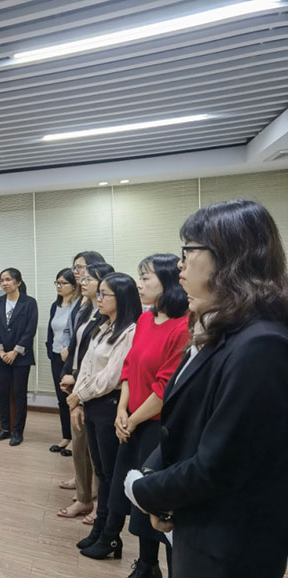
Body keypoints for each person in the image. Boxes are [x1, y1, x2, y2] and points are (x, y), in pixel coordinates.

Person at [128, 200, 288, 578]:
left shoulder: (262, 343)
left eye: (188, 252)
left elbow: (220, 464)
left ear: (227, 256)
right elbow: (184, 427)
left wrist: (143, 490)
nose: (180, 266)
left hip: (230, 545)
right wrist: (152, 477)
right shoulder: (218, 329)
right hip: (198, 524)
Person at [88, 254, 189, 576]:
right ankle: (146, 564)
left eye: (146, 278)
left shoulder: (183, 326)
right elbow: (130, 367)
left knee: (154, 498)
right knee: (133, 495)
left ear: (168, 282)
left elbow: (165, 387)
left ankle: (158, 566)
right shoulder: (146, 319)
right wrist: (122, 410)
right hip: (131, 420)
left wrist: (131, 420)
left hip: (157, 427)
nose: (140, 284)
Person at [68, 273, 141, 559]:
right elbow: (87, 365)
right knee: (100, 472)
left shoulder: (130, 331)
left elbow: (112, 377)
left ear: (120, 298)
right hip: (93, 405)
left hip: (109, 405)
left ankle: (111, 536)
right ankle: (99, 529)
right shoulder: (103, 326)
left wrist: (80, 396)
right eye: (98, 293)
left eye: (104, 294)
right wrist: (79, 396)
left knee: (111, 475)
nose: (98, 299)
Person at [57, 261, 114, 520]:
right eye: (82, 276)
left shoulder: (107, 313)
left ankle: (99, 502)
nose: (82, 280)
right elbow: (75, 347)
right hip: (77, 381)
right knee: (79, 444)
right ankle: (83, 497)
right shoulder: (84, 309)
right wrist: (67, 373)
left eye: (89, 277)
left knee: (97, 451)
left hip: (94, 387)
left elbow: (98, 359)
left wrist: (77, 377)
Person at [0, 268, 38, 446]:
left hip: (21, 356)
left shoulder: (29, 302)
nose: (5, 283)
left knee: (19, 394)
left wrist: (15, 351)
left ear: (18, 282)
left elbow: (30, 330)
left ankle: (18, 431)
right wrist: (1, 351)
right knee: (3, 393)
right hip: (2, 356)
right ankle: (4, 428)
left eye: (8, 279)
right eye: (2, 280)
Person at [46, 268, 78, 456]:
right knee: (61, 399)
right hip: (56, 356)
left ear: (74, 286)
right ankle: (66, 436)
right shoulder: (55, 305)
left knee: (74, 399)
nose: (59, 286)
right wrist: (51, 352)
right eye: (57, 283)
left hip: (71, 358)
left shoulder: (79, 306)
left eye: (63, 283)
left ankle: (76, 440)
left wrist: (70, 352)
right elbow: (51, 332)